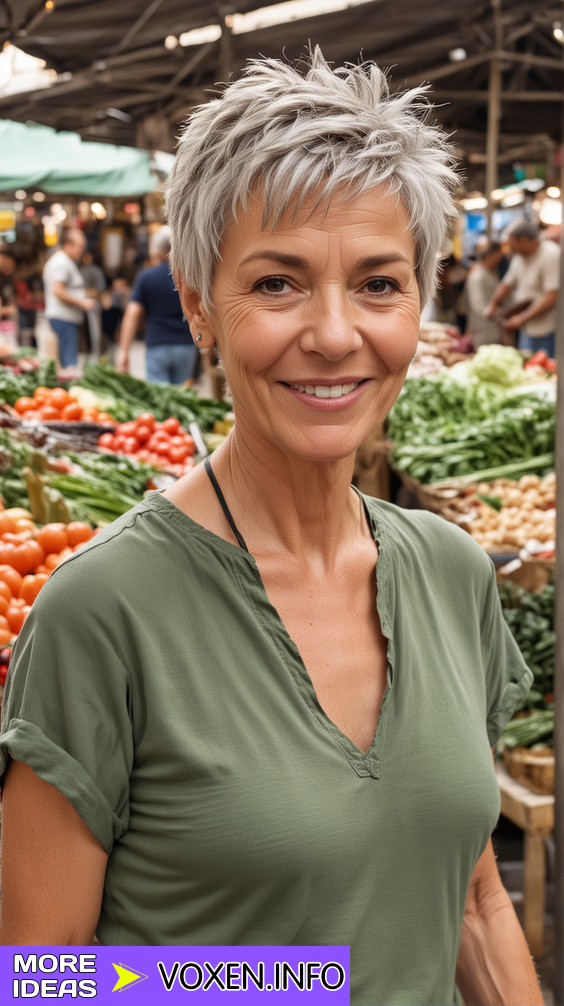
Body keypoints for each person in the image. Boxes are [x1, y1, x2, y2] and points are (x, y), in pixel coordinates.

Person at [0, 51, 542, 1006]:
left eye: (380, 284)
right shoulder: (104, 612)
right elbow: (43, 974)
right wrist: (294, 976)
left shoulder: (452, 573)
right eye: (279, 284)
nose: (335, 334)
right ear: (202, 307)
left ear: (423, 303)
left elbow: (469, 904)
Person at [116, 225, 195, 384]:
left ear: (158, 250)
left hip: (157, 344)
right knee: (182, 398)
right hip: (186, 345)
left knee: (159, 400)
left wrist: (124, 350)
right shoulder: (190, 277)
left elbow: (132, 314)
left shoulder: (146, 277)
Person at [485, 218, 560, 358]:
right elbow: (507, 283)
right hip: (527, 329)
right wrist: (493, 303)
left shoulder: (551, 254)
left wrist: (521, 318)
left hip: (548, 329)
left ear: (523, 241)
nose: (510, 249)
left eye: (511, 244)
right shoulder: (519, 257)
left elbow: (552, 296)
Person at [42, 229, 96, 368]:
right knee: (68, 362)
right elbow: (58, 290)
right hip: (63, 317)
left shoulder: (63, 260)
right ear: (68, 244)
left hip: (65, 317)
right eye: (80, 246)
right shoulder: (62, 263)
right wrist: (82, 302)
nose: (82, 250)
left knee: (65, 359)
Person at [465, 241, 505, 347]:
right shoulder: (478, 276)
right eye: (498, 256)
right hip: (482, 333)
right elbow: (479, 307)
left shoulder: (491, 272)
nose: (500, 259)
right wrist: (498, 313)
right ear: (489, 256)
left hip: (494, 331)